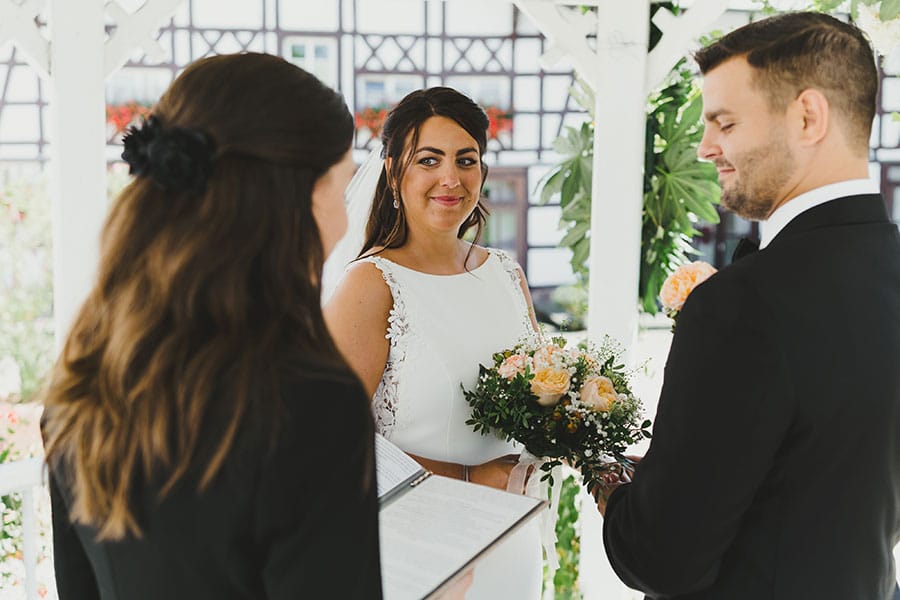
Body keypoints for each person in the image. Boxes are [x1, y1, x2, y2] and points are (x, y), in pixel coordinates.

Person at [40, 53, 382, 599]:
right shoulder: (309, 403)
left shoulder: (86, 374)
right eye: (340, 193)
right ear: (288, 204)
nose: (345, 222)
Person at [596, 12, 900, 600]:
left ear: (808, 116)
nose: (706, 148)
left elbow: (663, 560)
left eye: (725, 123)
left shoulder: (741, 305)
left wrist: (615, 486)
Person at [324, 86, 543, 599]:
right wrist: (467, 477)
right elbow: (331, 441)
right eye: (429, 160)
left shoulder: (507, 275)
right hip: (420, 547)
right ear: (395, 174)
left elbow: (540, 404)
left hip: (511, 540)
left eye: (466, 160)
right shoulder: (371, 284)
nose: (451, 178)